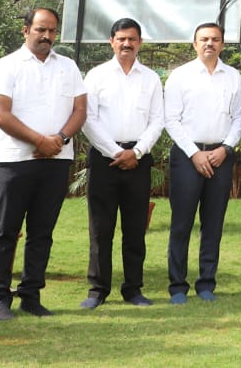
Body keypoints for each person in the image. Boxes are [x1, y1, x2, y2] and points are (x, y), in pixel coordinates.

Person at [0, 7, 88, 321]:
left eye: (52, 31)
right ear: (25, 30)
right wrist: (39, 141)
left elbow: (80, 110)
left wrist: (58, 138)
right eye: (41, 29)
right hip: (16, 161)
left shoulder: (68, 66)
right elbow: (0, 114)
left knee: (42, 232)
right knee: (6, 232)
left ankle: (31, 296)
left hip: (57, 160)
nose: (46, 36)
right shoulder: (6, 66)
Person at [79, 17, 164, 309]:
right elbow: (87, 119)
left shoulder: (150, 78)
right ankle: (97, 291)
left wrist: (136, 152)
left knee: (135, 228)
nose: (127, 44)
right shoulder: (96, 76)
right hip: (105, 160)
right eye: (121, 38)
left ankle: (133, 289)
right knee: (101, 228)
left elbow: (157, 120)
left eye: (132, 39)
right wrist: (115, 152)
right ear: (111, 42)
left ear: (140, 42)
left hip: (138, 160)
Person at [164, 21, 241, 304]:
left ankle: (206, 283)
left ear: (222, 44)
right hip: (188, 157)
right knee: (182, 223)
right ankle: (177, 286)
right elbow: (171, 119)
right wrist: (194, 153)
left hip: (221, 157)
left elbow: (239, 118)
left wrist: (226, 148)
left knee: (213, 223)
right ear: (194, 44)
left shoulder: (232, 76)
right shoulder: (180, 76)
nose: (209, 43)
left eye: (215, 39)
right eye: (204, 39)